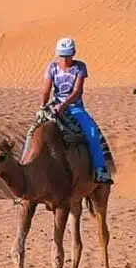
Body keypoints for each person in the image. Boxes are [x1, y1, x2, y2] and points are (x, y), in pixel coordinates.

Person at [40, 37, 112, 184]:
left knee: (92, 132)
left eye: (68, 55)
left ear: (73, 53)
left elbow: (77, 91)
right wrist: (43, 106)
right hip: (54, 106)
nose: (65, 59)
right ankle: (24, 165)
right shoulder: (52, 68)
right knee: (33, 131)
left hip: (74, 107)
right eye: (62, 55)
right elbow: (46, 90)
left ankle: (100, 170)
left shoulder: (80, 67)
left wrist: (64, 104)